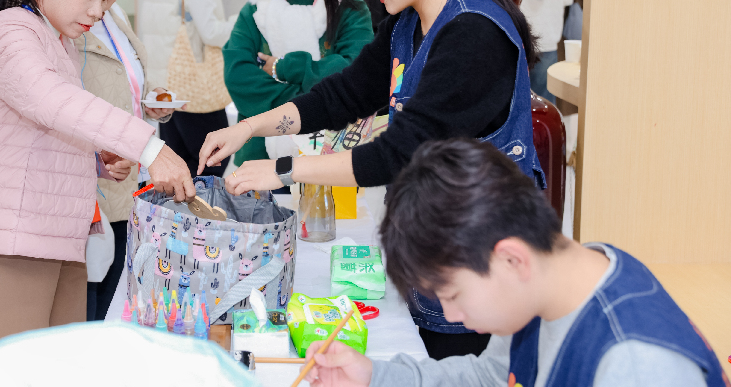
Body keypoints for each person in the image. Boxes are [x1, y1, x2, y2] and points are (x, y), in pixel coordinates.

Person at [199, 0, 544, 358]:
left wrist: (282, 170)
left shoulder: (473, 34)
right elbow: (342, 95)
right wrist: (249, 127)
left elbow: (398, 153)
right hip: (437, 245)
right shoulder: (407, 21)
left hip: (481, 261)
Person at [0, 0, 194, 387]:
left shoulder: (59, 40)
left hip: (59, 243)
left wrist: (94, 160)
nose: (100, 11)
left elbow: (39, 131)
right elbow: (52, 101)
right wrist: (148, 146)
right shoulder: (10, 31)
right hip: (7, 246)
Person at [302, 139, 727, 387]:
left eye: (452, 295)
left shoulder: (636, 366)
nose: (453, 316)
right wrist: (373, 375)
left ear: (510, 258)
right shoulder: (554, 281)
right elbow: (491, 375)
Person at [223, 0, 373, 168]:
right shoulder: (257, 8)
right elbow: (238, 76)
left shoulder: (350, 8)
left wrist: (286, 68)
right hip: (258, 156)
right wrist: (319, 98)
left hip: (329, 156)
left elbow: (354, 73)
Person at [73, 0, 174, 321]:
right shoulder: (67, 21)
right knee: (92, 281)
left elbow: (124, 80)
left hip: (127, 167)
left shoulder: (113, 13)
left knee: (112, 273)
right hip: (99, 172)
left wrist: (150, 102)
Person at [139, 0, 236, 178]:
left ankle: (179, 217)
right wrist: (239, 22)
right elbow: (213, 33)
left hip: (165, 89)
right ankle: (199, 214)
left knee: (178, 161)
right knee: (214, 159)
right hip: (195, 88)